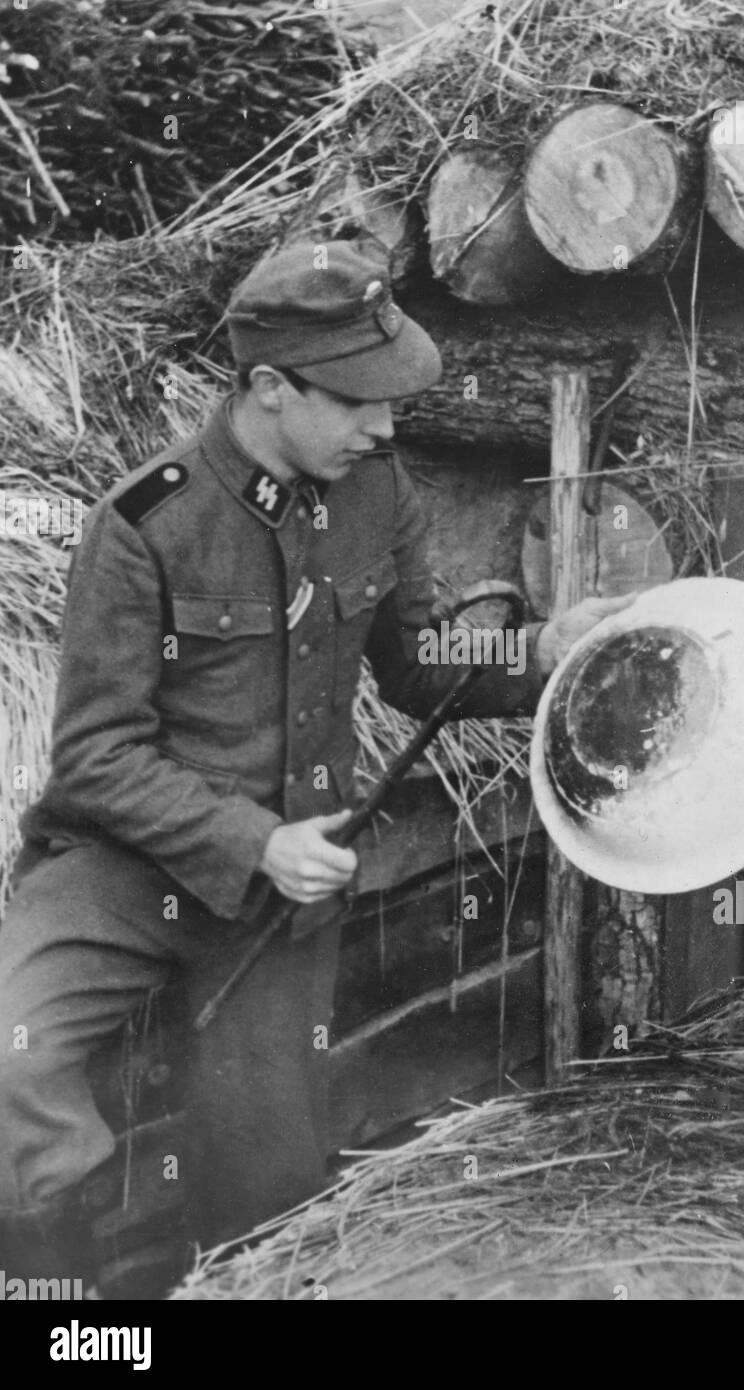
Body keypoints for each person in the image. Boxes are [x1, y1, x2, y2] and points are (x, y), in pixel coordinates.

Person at [0, 238, 629, 1294]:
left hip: (281, 898)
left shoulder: (377, 493)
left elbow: (420, 669)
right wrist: (253, 840)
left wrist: (542, 653)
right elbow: (98, 758)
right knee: (12, 1056)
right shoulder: (144, 525)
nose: (384, 424)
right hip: (124, 865)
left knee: (268, 1175)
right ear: (267, 389)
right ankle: (69, 1308)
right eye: (356, 400)